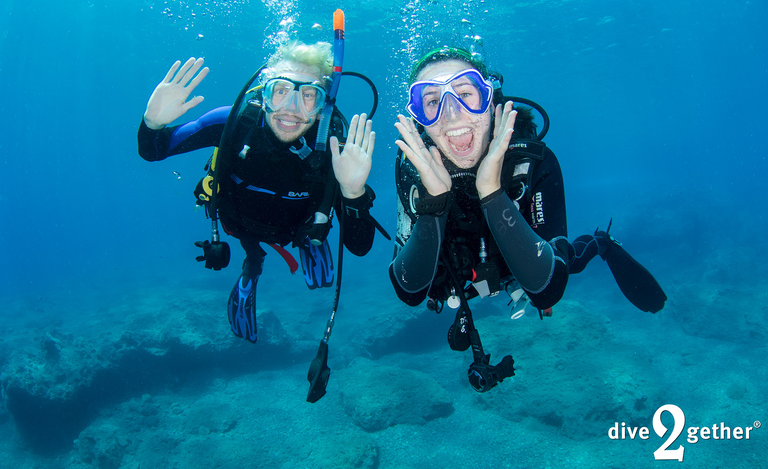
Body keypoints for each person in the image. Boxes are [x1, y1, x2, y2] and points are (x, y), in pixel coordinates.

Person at [389, 47, 666, 392]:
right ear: (419, 119)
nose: (451, 114)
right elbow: (409, 290)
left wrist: (491, 192)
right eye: (431, 101)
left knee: (570, 261)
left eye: (464, 94)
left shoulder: (533, 162)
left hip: (523, 263)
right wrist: (434, 204)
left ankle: (600, 243)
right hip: (456, 277)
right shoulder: (412, 173)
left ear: (490, 102)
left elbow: (548, 291)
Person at [139, 41, 382, 345]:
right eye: (280, 90)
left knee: (314, 226)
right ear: (264, 95)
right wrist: (153, 123)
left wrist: (353, 192)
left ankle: (308, 242)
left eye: (308, 95)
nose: (291, 109)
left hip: (302, 225)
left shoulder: (333, 148)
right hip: (238, 222)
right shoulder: (233, 124)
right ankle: (252, 266)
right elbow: (153, 150)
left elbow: (360, 247)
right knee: (251, 249)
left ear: (323, 104)